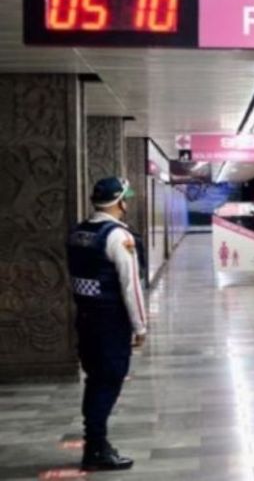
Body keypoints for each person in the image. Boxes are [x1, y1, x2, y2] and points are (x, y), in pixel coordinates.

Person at [66, 177, 147, 471]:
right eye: (126, 199)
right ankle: (96, 448)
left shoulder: (79, 233)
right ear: (119, 202)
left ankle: (96, 442)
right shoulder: (117, 237)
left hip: (85, 318)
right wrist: (140, 327)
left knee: (95, 379)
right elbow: (131, 286)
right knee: (108, 380)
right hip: (110, 322)